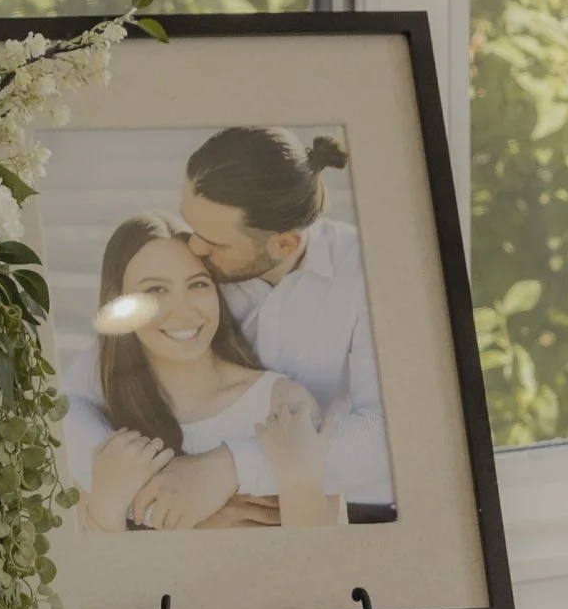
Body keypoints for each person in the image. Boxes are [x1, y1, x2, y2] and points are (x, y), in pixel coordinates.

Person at [61, 126, 394, 526]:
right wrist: (158, 502)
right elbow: (69, 402)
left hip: (356, 511)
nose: (193, 248)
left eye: (213, 242)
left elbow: (388, 433)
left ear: (284, 244)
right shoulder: (195, 271)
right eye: (191, 225)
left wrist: (231, 468)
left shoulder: (368, 273)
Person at [74, 215, 345, 533]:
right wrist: (107, 507)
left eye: (198, 284)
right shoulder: (101, 427)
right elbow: (104, 565)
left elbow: (325, 555)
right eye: (155, 290)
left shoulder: (282, 405)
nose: (184, 309)